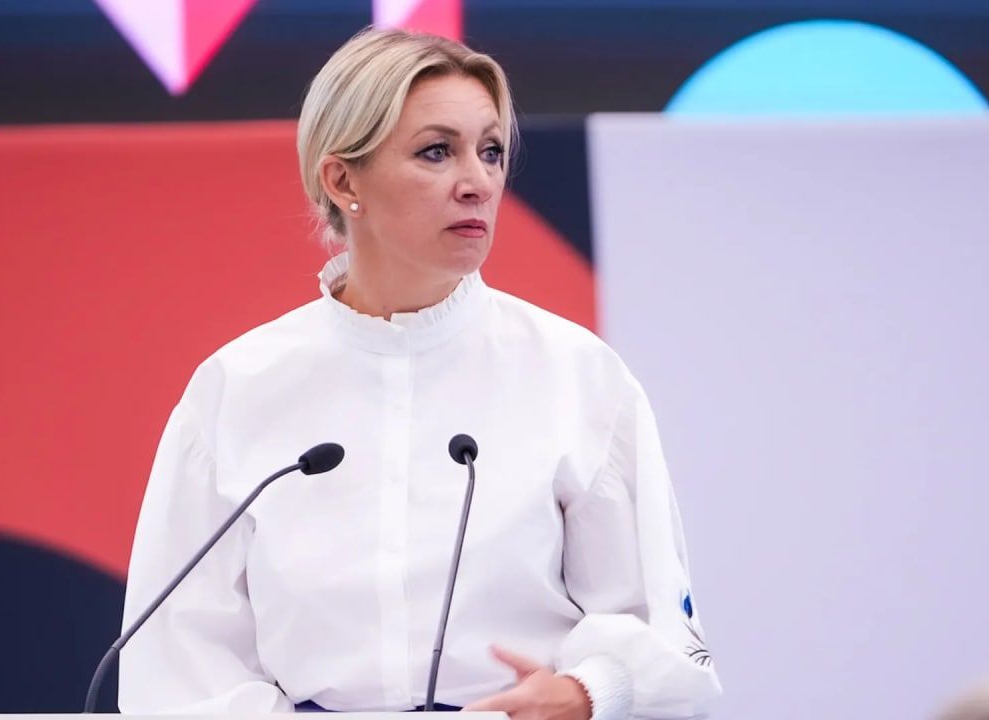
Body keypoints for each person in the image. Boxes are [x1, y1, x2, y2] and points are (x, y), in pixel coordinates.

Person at [118, 27, 721, 719]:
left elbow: (663, 638)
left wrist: (587, 694)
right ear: (343, 180)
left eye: (490, 152)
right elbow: (179, 663)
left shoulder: (577, 374)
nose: (477, 183)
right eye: (437, 151)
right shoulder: (238, 387)